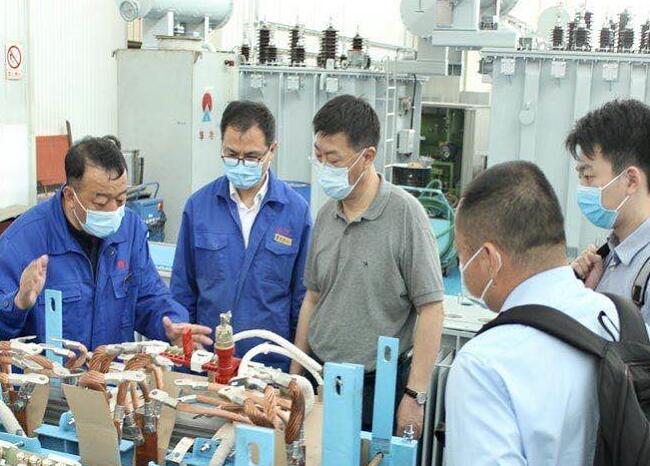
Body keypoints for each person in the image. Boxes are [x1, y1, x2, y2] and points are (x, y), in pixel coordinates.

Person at [445, 160, 619, 465]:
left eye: (462, 253)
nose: (462, 266)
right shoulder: (615, 317)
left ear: (489, 259)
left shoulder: (485, 365)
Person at [291, 95, 444, 438]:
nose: (323, 167)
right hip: (320, 377)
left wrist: (415, 396)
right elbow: (312, 299)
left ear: (368, 156)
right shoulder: (326, 215)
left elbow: (432, 309)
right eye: (318, 156)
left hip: (379, 387)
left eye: (333, 159)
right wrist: (295, 374)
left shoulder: (406, 216)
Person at [0, 136, 211, 349]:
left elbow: (149, 297)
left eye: (120, 199)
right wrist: (18, 303)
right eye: (100, 202)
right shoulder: (21, 242)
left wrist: (172, 324)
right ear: (70, 196)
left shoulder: (130, 229)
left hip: (113, 368)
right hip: (50, 370)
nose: (112, 210)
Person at [171, 100, 311, 371]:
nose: (241, 164)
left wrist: (296, 371)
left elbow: (302, 301)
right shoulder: (199, 207)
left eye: (251, 157)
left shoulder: (295, 212)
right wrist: (186, 355)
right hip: (208, 364)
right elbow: (182, 290)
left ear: (272, 151)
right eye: (232, 154)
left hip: (271, 366)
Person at [568, 99, 650, 324]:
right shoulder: (607, 258)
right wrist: (584, 295)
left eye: (588, 175)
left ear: (631, 181)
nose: (582, 187)